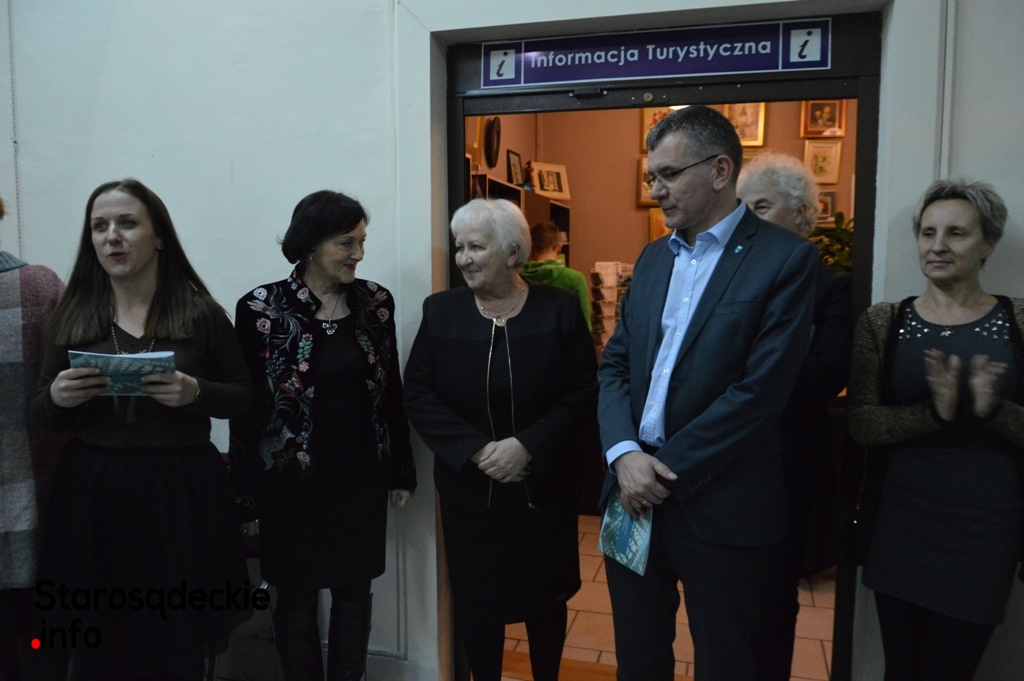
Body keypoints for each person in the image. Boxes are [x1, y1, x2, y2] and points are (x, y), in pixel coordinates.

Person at [597, 105, 819, 681]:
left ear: (721, 171)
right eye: (652, 177)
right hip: (631, 492)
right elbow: (615, 365)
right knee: (638, 659)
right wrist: (624, 454)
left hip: (721, 502)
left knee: (726, 662)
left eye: (669, 175)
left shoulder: (785, 259)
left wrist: (659, 470)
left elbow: (759, 393)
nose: (656, 191)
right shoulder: (653, 258)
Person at [31, 179, 253, 680]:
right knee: (101, 636)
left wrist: (196, 393)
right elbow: (43, 413)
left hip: (180, 490)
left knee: (174, 634)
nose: (112, 236)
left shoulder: (200, 313)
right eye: (100, 226)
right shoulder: (74, 313)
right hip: (94, 492)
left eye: (127, 223)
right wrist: (58, 397)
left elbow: (243, 396)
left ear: (159, 236)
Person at [403, 198, 597, 681]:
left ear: (513, 252)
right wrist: (479, 450)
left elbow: (584, 391)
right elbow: (419, 394)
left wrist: (527, 444)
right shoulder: (442, 312)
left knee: (546, 599)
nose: (464, 259)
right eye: (459, 247)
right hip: (472, 491)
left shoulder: (558, 309)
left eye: (476, 247)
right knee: (478, 602)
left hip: (543, 488)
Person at [229, 190, 417, 681]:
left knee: (354, 593)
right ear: (310, 244)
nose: (359, 254)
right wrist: (245, 497)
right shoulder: (261, 308)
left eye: (362, 242)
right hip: (287, 486)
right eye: (346, 243)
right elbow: (246, 410)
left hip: (360, 479)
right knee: (294, 596)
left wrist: (402, 469)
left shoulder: (376, 303)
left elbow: (391, 389)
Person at [847, 179, 1022, 681]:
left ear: (988, 244)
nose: (938, 245)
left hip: (986, 532)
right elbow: (861, 422)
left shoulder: (1018, 321)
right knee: (901, 669)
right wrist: (933, 414)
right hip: (900, 524)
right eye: (928, 233)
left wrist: (994, 410)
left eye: (956, 233)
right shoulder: (884, 322)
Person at [737, 152, 852, 681]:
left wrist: (749, 363)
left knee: (773, 604)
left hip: (787, 470)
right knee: (727, 604)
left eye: (760, 206)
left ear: (804, 215)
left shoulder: (832, 288)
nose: (747, 218)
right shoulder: (731, 284)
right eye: (741, 207)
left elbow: (823, 375)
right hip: (724, 465)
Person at [0, 195, 67, 681]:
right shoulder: (38, 285)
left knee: (35, 647)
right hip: (31, 503)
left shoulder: (37, 286)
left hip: (33, 506)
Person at [519, 221, 591, 330]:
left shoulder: (517, 278)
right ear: (559, 248)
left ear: (530, 249)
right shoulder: (575, 279)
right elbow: (584, 327)